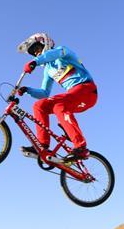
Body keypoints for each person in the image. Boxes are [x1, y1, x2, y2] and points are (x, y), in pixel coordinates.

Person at [16, 32, 97, 163]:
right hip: (73, 95)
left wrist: (35, 62)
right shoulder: (48, 69)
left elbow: (56, 54)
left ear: (45, 43)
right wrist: (28, 90)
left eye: (37, 49)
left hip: (87, 90)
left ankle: (81, 147)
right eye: (34, 53)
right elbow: (44, 93)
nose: (37, 54)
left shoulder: (62, 51)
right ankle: (42, 145)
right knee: (39, 105)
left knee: (60, 106)